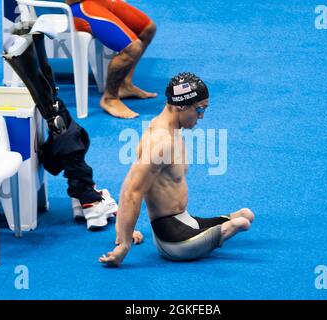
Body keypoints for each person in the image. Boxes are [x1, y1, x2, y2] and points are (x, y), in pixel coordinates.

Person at [99, 72, 255, 267]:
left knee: (245, 215)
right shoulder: (161, 142)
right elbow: (131, 191)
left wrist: (126, 231)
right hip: (173, 240)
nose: (202, 116)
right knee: (240, 224)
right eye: (199, 110)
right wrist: (124, 242)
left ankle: (217, 226)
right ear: (181, 105)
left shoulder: (172, 131)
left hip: (185, 221)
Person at [2, 22, 140, 240]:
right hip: (66, 143)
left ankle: (31, 43)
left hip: (64, 140)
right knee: (60, 119)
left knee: (56, 111)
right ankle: (91, 202)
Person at [66, 0, 157, 119]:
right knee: (132, 49)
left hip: (99, 2)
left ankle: (124, 85)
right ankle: (110, 98)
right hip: (75, 6)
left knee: (147, 30)